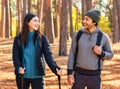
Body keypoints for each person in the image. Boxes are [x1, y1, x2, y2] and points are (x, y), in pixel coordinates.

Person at [12, 13, 62, 89]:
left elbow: (49, 56)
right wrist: (18, 68)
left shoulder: (42, 38)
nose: (37, 23)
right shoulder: (18, 39)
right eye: (35, 21)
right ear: (27, 22)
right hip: (23, 75)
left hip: (38, 76)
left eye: (38, 21)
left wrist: (55, 68)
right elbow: (15, 56)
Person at [67, 9, 114, 89]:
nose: (84, 21)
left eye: (87, 19)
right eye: (84, 19)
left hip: (95, 77)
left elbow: (111, 54)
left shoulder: (103, 37)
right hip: (78, 75)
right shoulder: (78, 34)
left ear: (94, 22)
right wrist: (69, 73)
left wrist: (102, 53)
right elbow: (72, 53)